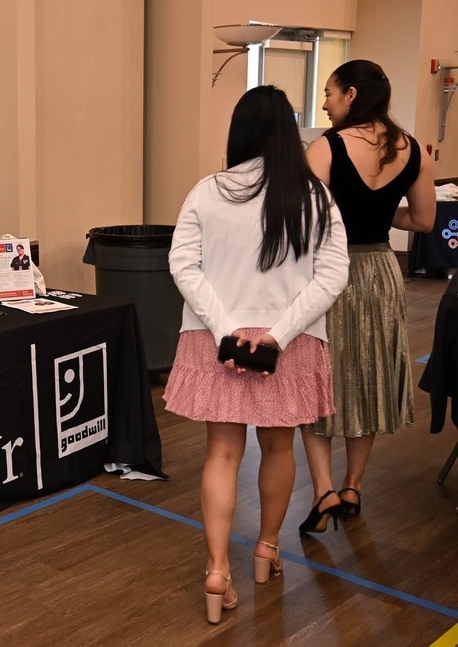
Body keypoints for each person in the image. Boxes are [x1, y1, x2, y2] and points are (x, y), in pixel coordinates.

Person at [163, 86, 349, 624]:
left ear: (238, 132)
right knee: (279, 450)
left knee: (221, 454)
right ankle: (266, 550)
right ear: (290, 134)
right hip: (288, 346)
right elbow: (333, 275)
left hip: (213, 341)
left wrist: (226, 330)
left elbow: (184, 266)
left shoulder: (207, 191)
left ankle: (217, 571)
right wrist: (277, 334)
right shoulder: (314, 196)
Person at [299, 59, 435, 532]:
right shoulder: (411, 148)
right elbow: (422, 222)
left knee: (316, 380)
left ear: (351, 95)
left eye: (330, 93)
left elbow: (303, 223)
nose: (325, 102)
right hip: (380, 270)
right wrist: (382, 216)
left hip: (328, 274)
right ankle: (354, 485)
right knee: (371, 375)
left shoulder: (327, 148)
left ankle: (323, 493)